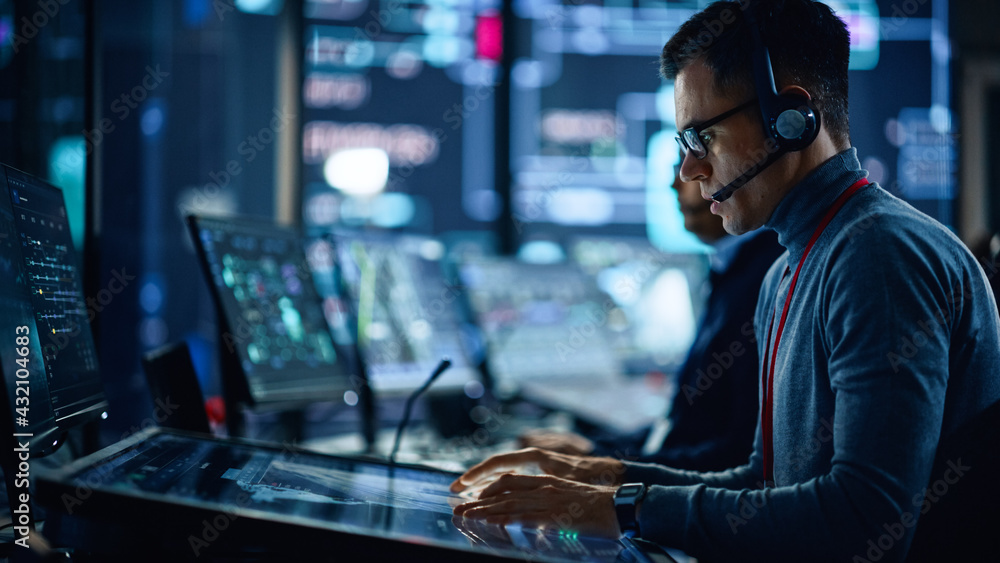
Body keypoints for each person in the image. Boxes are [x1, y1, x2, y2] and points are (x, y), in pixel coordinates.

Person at [450, 1, 1000, 561]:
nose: (689, 171)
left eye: (702, 139)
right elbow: (766, 484)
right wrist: (608, 477)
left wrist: (625, 508)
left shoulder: (879, 258)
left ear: (790, 118)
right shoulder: (789, 268)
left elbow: (863, 523)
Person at [520, 161, 785, 472]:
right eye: (676, 165)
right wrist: (600, 451)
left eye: (700, 154)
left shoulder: (767, 278)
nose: (677, 181)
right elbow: (686, 430)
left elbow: (736, 459)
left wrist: (604, 468)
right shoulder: (733, 270)